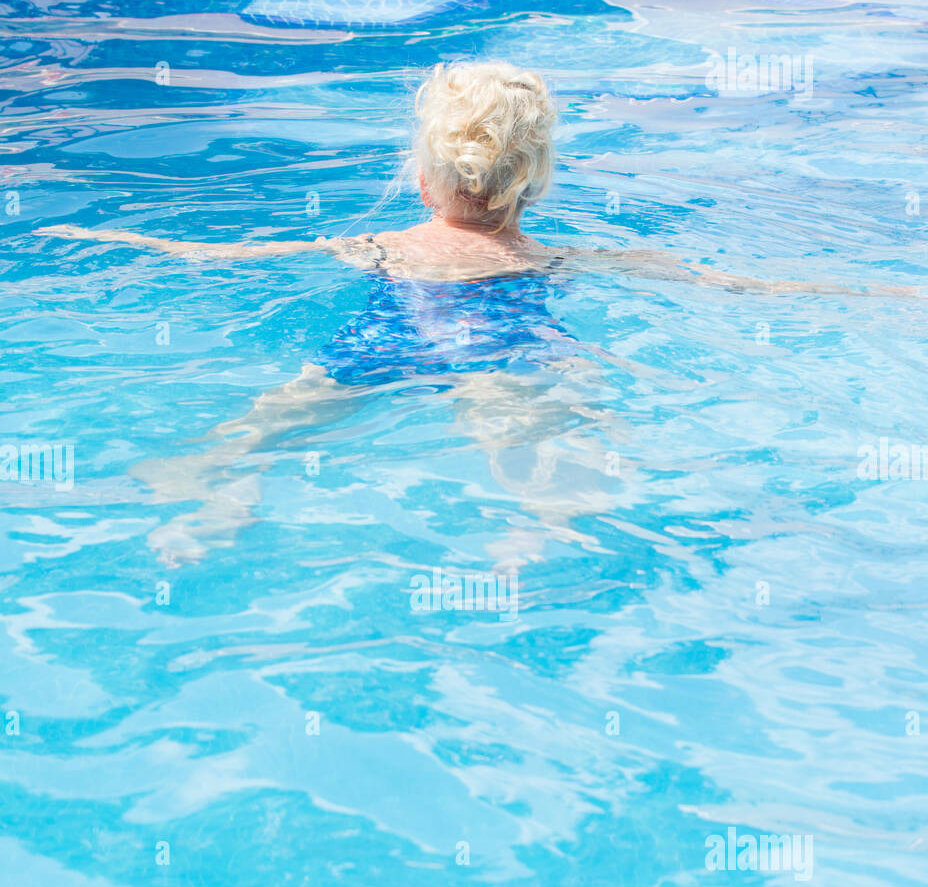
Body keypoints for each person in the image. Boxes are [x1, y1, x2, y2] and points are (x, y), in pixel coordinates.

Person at [36, 61, 924, 563]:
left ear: (423, 177)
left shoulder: (380, 245)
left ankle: (214, 487)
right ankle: (536, 535)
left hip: (385, 329)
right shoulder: (554, 256)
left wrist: (132, 246)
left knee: (276, 417)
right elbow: (733, 287)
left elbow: (235, 258)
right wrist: (877, 292)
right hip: (509, 336)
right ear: (533, 181)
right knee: (549, 444)